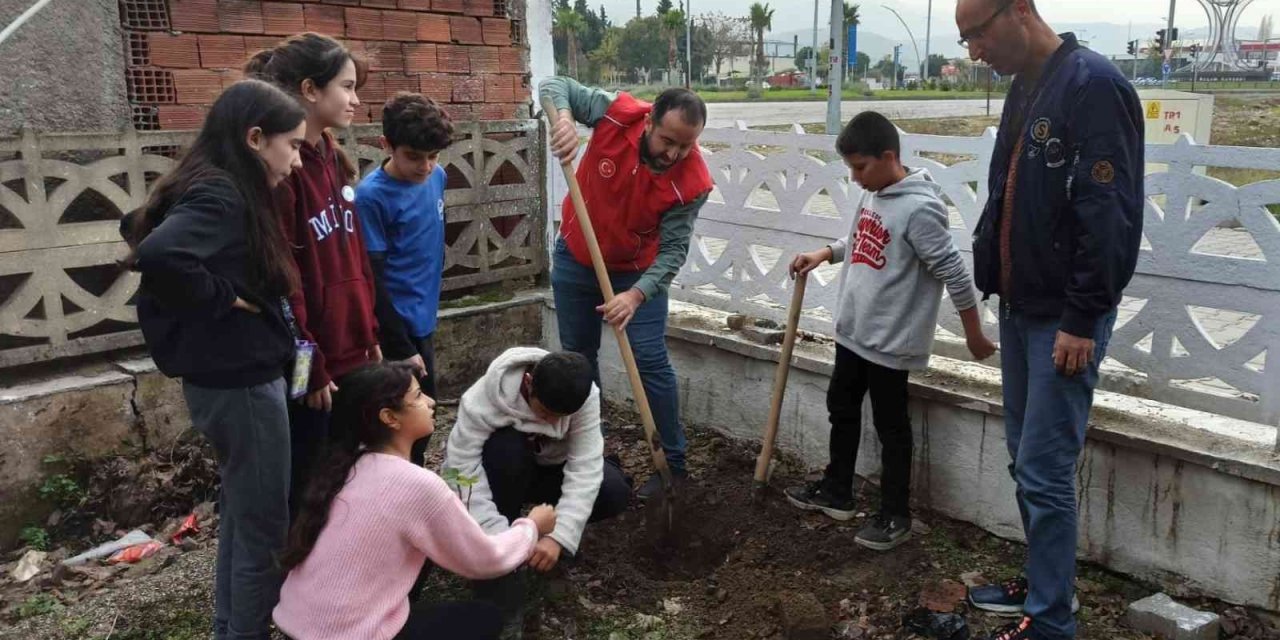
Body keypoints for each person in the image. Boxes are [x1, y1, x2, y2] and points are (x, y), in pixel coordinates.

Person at [954, 1, 1144, 638]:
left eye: (978, 34)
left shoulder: (1093, 86)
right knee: (1022, 458)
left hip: (1064, 318)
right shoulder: (1026, 87)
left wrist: (1083, 318)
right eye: (966, 41)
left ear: (1019, 11)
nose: (974, 52)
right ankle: (1043, 584)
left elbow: (1108, 212)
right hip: (1021, 305)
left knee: (1044, 466)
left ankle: (1052, 621)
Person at [123, 79, 307, 640]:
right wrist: (223, 296)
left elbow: (139, 225)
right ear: (255, 138)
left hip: (227, 381)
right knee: (264, 530)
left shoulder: (208, 183)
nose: (297, 161)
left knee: (242, 522)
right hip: (242, 384)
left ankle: (228, 629)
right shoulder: (223, 194)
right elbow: (155, 252)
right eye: (292, 145)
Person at [784, 111, 997, 551]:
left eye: (860, 167)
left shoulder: (920, 208)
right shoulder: (874, 193)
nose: (855, 177)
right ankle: (837, 490)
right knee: (840, 407)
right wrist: (825, 252)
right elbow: (860, 239)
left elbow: (955, 274)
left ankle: (895, 514)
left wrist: (973, 334)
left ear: (888, 156)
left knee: (890, 427)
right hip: (854, 333)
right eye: (850, 168)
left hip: (889, 343)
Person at [273, 362, 557, 640]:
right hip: (349, 633)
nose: (431, 402)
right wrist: (531, 527)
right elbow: (486, 559)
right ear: (389, 417)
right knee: (485, 618)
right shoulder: (414, 485)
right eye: (419, 397)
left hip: (295, 623)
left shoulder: (346, 467)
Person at [540, 76, 714, 499]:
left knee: (651, 361)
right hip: (576, 257)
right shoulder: (616, 114)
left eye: (685, 146)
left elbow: (673, 251)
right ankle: (591, 451)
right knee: (579, 358)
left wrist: (637, 294)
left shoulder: (690, 183)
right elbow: (553, 85)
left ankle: (673, 464)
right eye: (668, 140)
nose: (673, 154)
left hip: (637, 272)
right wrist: (563, 119)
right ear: (650, 120)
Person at [245, 33, 382, 510]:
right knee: (311, 477)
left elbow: (354, 259)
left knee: (348, 469)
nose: (356, 99)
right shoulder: (284, 167)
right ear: (309, 90)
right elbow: (284, 282)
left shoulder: (330, 158)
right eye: (346, 86)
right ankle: (305, 576)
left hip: (351, 350)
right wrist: (311, 369)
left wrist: (370, 332)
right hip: (311, 363)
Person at [443, 348, 632, 634]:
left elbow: (585, 467)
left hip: (549, 472)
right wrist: (503, 541)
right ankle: (499, 571)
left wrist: (560, 536)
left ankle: (542, 541)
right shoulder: (484, 397)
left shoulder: (583, 395)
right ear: (529, 382)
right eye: (545, 412)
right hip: (505, 472)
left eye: (562, 417)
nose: (553, 423)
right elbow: (458, 466)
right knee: (505, 449)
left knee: (613, 491)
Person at [356, 92, 454, 467]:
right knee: (400, 422)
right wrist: (397, 343)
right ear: (387, 145)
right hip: (394, 324)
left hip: (424, 315)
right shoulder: (371, 197)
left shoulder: (437, 177)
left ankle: (414, 482)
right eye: (414, 156)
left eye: (433, 156)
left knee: (424, 414)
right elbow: (371, 278)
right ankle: (401, 490)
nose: (426, 166)